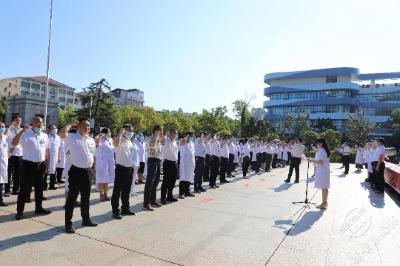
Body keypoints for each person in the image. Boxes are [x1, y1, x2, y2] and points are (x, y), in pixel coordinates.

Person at [59, 118, 97, 233]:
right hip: (76, 172)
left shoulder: (91, 140)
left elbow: (93, 156)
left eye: (89, 126)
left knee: (86, 198)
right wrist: (71, 124)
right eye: (85, 125)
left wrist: (93, 171)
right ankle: (68, 224)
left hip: (88, 172)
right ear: (78, 126)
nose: (87, 128)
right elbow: (61, 133)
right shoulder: (72, 137)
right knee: (72, 199)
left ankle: (86, 219)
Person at [13, 117, 52, 220]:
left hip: (41, 165)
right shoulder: (26, 134)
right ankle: (19, 211)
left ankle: (38, 208)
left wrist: (47, 165)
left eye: (42, 122)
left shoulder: (44, 135)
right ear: (32, 123)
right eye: (38, 122)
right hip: (28, 165)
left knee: (39, 188)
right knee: (24, 189)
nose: (40, 124)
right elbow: (14, 142)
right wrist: (22, 131)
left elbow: (47, 151)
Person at [111, 124, 137, 219]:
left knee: (126, 190)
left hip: (129, 168)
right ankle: (115, 211)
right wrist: (119, 133)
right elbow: (115, 144)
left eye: (132, 131)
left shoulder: (129, 141)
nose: (131, 133)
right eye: (129, 130)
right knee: (117, 190)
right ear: (124, 130)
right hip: (121, 168)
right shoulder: (120, 139)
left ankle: (125, 208)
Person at [143, 125, 164, 211]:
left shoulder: (159, 138)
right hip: (152, 160)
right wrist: (156, 136)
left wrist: (161, 137)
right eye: (161, 130)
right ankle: (146, 203)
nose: (162, 132)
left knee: (156, 181)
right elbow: (151, 145)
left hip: (158, 160)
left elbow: (163, 143)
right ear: (157, 131)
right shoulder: (150, 138)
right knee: (149, 182)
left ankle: (152, 200)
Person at [308, 138, 330, 210]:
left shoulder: (322, 151)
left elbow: (321, 161)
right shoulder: (321, 150)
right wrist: (313, 148)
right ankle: (324, 203)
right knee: (324, 187)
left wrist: (311, 160)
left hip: (323, 171)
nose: (316, 145)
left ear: (321, 144)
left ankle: (324, 203)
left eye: (317, 143)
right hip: (322, 170)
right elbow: (316, 151)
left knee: (324, 188)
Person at [95, 128, 115, 202]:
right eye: (108, 132)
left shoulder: (110, 140)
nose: (109, 134)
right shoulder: (100, 140)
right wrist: (100, 135)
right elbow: (96, 142)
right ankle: (101, 195)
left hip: (109, 163)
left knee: (106, 179)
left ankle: (106, 194)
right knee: (101, 179)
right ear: (104, 133)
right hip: (101, 163)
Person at [160, 129, 179, 204]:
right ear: (171, 133)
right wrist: (165, 135)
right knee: (166, 181)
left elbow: (176, 152)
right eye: (175, 133)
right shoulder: (166, 141)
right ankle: (163, 198)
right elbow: (162, 142)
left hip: (174, 163)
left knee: (172, 181)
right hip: (167, 163)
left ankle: (170, 196)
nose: (176, 135)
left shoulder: (174, 142)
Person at [6, 115, 23, 195]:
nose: (19, 121)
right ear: (13, 121)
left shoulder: (22, 130)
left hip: (19, 153)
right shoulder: (10, 129)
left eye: (20, 120)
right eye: (17, 120)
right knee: (8, 173)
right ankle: (7, 190)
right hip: (11, 154)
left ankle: (15, 189)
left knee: (18, 173)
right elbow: (9, 140)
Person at [179, 132, 196, 198]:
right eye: (189, 135)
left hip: (191, 163)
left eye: (191, 135)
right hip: (184, 163)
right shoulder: (183, 141)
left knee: (189, 177)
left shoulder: (191, 143)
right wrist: (185, 138)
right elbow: (181, 142)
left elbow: (193, 152)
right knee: (183, 178)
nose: (190, 137)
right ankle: (181, 193)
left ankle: (187, 192)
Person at [46, 124, 61, 190]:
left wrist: (59, 157)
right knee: (46, 171)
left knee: (53, 171)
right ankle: (44, 185)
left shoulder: (58, 137)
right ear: (49, 129)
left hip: (55, 157)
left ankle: (52, 185)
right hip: (48, 157)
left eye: (55, 128)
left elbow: (59, 148)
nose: (54, 130)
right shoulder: (46, 137)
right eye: (52, 128)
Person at [0, 122, 9, 206]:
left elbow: (8, 149)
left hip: (3, 163)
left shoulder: (6, 138)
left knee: (1, 182)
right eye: (0, 127)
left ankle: (0, 200)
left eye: (3, 127)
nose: (2, 128)